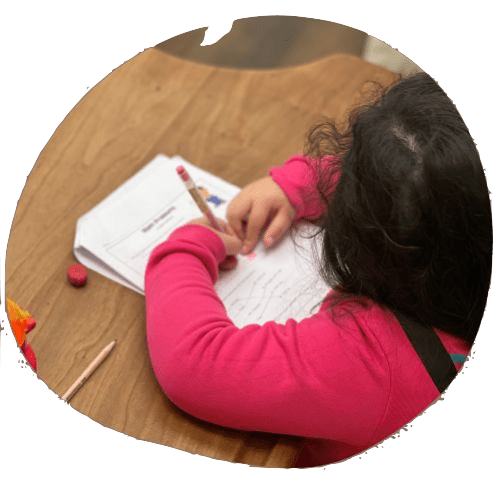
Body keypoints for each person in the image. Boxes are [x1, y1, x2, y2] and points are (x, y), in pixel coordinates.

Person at [144, 72, 492, 467]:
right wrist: (296, 185)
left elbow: (193, 363)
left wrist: (184, 251)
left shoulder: (375, 360)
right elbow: (435, 177)